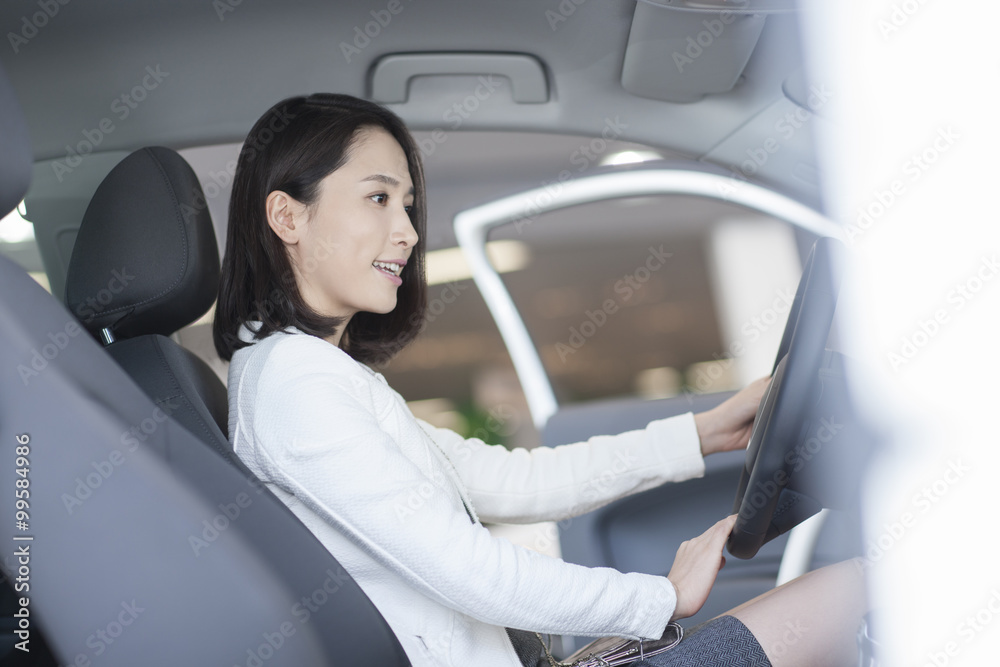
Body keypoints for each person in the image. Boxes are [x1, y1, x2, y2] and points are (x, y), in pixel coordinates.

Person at [213, 93, 866, 667]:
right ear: (287, 216)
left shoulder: (317, 374)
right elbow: (464, 566)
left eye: (408, 205)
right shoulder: (295, 387)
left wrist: (700, 434)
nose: (408, 232)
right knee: (863, 592)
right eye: (378, 198)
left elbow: (517, 479)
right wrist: (659, 597)